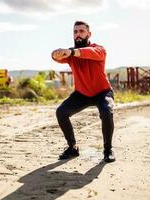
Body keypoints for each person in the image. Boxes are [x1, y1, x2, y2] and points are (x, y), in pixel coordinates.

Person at [51, 21, 115, 163]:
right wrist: (55, 54)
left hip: (102, 92)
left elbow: (89, 53)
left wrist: (71, 52)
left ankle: (108, 149)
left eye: (81, 31)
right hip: (82, 94)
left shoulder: (99, 49)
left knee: (106, 111)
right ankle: (73, 147)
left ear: (89, 34)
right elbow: (57, 58)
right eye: (75, 32)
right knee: (61, 112)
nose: (78, 35)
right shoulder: (71, 53)